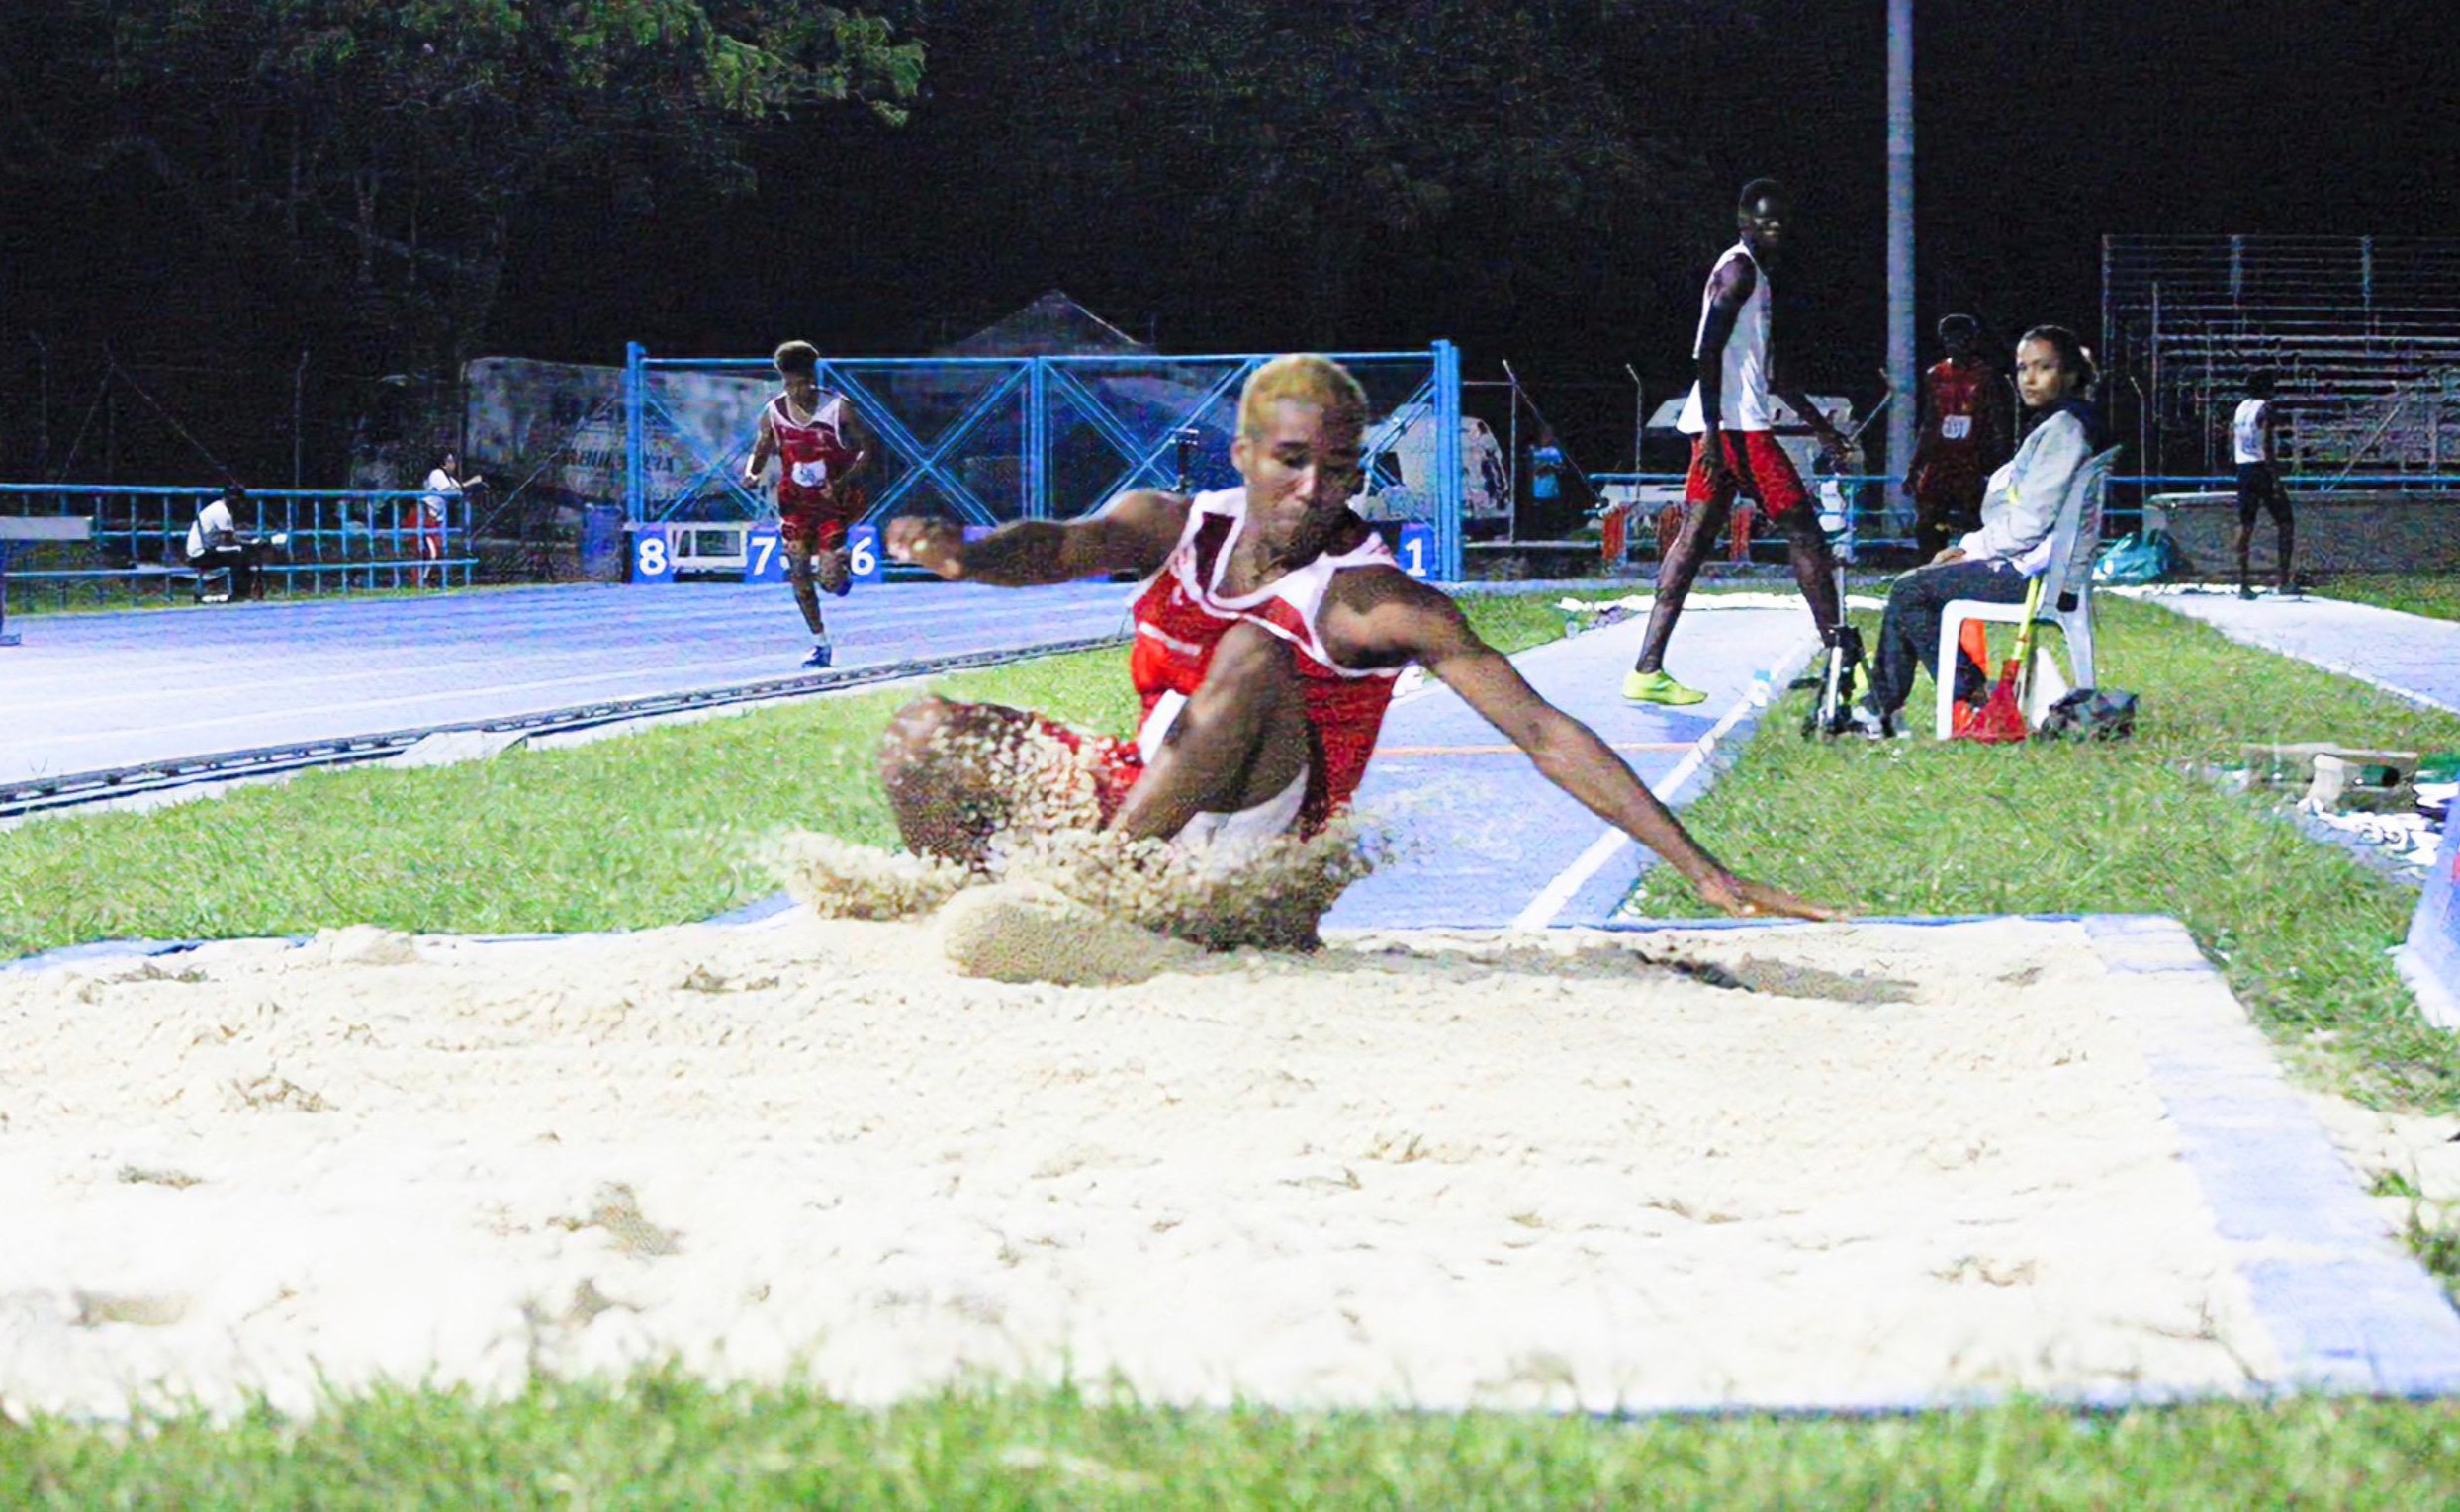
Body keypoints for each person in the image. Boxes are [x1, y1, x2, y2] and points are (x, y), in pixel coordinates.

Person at [877, 353, 1834, 922]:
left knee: (1252, 650)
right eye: (1291, 463)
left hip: (1254, 858)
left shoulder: (1374, 599)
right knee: (920, 737)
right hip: (1151, 805)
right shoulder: (1168, 524)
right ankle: (975, 921)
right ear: (1244, 456)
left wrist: (1704, 872)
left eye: (1337, 468)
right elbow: (1057, 546)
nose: (1313, 489)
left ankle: (1081, 900)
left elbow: (1543, 732)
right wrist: (969, 553)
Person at [1624, 179, 1855, 707]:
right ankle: (1845, 662)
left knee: (1695, 539)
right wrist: (1709, 427)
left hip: (1730, 424)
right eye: (1764, 222)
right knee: (1805, 533)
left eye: (1781, 224)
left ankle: (1646, 668)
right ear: (1744, 221)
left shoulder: (1753, 274)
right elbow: (1706, 350)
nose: (1775, 231)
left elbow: (1768, 372)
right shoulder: (1739, 270)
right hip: (1734, 430)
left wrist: (1819, 424)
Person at [1855, 326, 2103, 735]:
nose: (2029, 378)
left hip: (2035, 577)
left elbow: (2029, 523)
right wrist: (1972, 545)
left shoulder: (2065, 431)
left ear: (2072, 375)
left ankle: (1942, 697)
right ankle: (1893, 704)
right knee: (1915, 585)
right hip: (2040, 569)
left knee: (1910, 590)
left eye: (2044, 367)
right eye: (2023, 367)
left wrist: (1973, 551)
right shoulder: (2062, 426)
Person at [743, 340, 871, 668]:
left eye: (801, 383)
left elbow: (866, 450)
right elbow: (761, 448)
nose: (795, 391)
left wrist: (842, 481)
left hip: (833, 505)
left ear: (812, 378)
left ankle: (840, 572)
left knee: (831, 583)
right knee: (797, 568)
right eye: (788, 384)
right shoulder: (773, 412)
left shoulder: (838, 408)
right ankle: (820, 643)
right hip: (795, 504)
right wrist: (752, 473)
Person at [1904, 314, 2013, 561]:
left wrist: (2000, 464)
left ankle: (1977, 566)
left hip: (1974, 459)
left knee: (1976, 518)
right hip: (1941, 458)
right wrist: (1915, 467)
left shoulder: (1987, 376)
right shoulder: (1936, 374)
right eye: (1949, 339)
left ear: (1973, 341)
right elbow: (1930, 422)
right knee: (1928, 520)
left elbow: (2001, 422)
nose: (1955, 344)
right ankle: (1929, 567)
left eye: (1962, 339)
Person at [2233, 370, 2293, 598]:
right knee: (2285, 523)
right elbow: (2267, 443)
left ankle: (2243, 583)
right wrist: (2275, 476)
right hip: (2261, 467)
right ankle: (2283, 579)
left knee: (2245, 524)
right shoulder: (2265, 408)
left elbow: (2234, 438)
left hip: (2243, 467)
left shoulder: (2241, 408)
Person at [185, 485, 265, 602]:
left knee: (240, 553)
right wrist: (250, 543)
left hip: (205, 549)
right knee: (240, 555)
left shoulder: (217, 508)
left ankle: (241, 592)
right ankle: (240, 594)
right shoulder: (221, 512)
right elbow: (229, 539)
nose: (240, 504)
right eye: (239, 501)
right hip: (200, 553)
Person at [417, 451, 483, 589]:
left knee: (438, 549)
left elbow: (458, 489)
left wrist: (472, 485)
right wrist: (470, 482)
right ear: (443, 463)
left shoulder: (449, 478)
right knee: (432, 550)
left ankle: (432, 579)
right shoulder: (437, 473)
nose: (453, 464)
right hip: (426, 514)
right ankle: (423, 580)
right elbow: (449, 490)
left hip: (437, 518)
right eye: (450, 461)